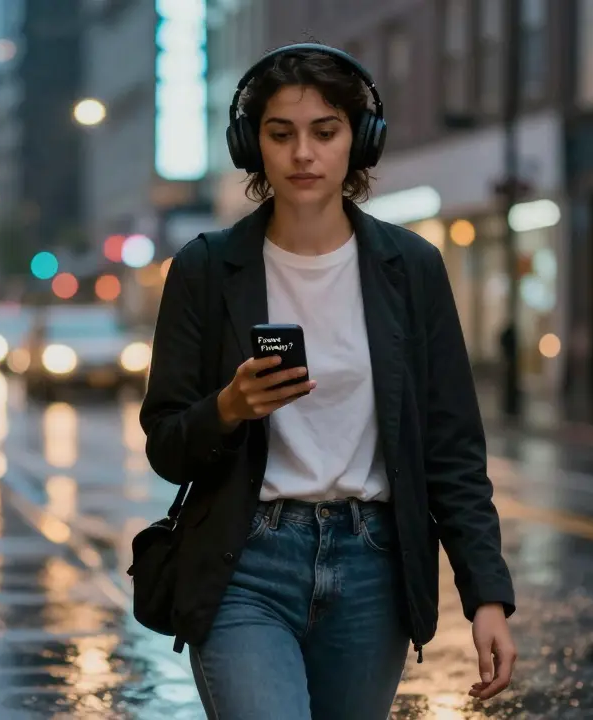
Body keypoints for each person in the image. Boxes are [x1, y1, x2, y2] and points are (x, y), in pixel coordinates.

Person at [140, 44, 517, 719]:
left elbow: (453, 448)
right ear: (251, 146)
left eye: (325, 131)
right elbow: (166, 444)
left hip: (373, 567)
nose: (303, 154)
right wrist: (228, 408)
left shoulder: (412, 268)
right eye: (280, 134)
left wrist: (485, 594)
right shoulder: (206, 268)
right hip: (244, 562)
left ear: (360, 142)